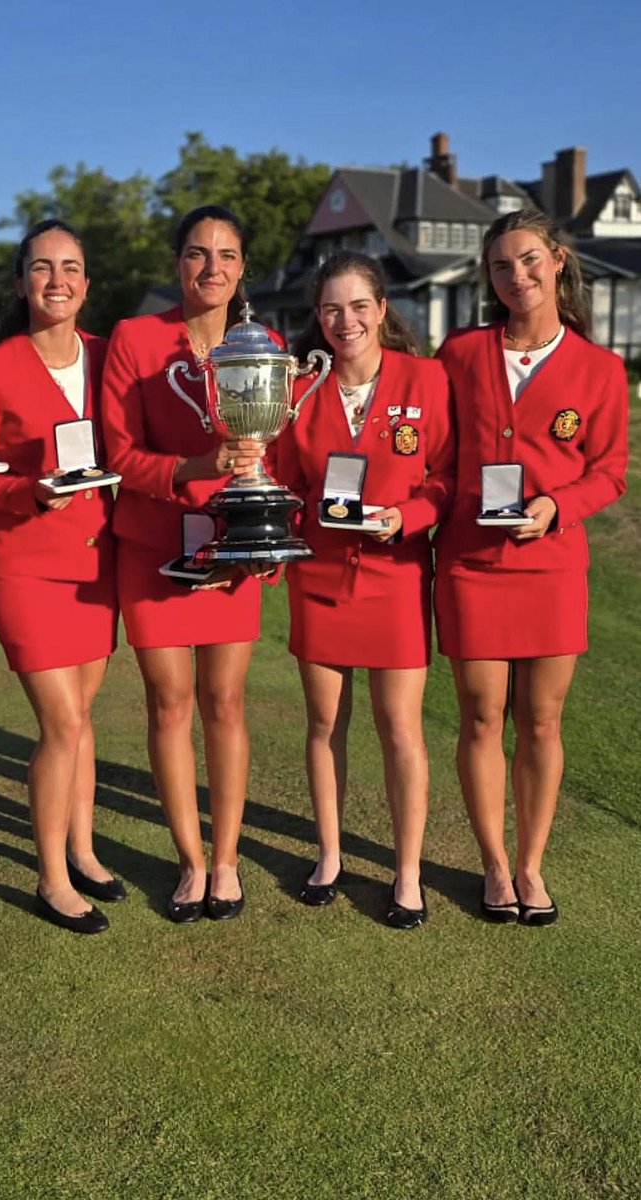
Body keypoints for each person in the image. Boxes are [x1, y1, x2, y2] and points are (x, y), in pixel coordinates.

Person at [435, 209, 629, 925]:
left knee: (540, 721)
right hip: (470, 564)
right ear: (487, 278)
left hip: (550, 566)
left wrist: (555, 506)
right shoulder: (457, 354)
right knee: (482, 717)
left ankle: (530, 865)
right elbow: (433, 452)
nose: (514, 276)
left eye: (526, 261)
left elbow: (609, 471)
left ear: (556, 260)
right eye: (498, 266)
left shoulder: (599, 368)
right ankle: (491, 866)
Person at [0, 220, 120, 935]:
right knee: (62, 721)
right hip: (24, 565)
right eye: (42, 267)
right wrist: (27, 491)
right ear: (21, 282)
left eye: (70, 267)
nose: (57, 280)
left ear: (86, 281)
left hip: (98, 564)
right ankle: (51, 876)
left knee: (84, 720)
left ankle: (82, 848)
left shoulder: (112, 357)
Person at [100, 204, 270, 923]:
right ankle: (190, 863)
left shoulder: (263, 344)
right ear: (178, 263)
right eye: (198, 253)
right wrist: (193, 466)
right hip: (154, 547)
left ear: (241, 269)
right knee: (170, 705)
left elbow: (276, 456)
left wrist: (262, 541)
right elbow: (118, 455)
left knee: (225, 704)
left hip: (230, 549)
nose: (212, 267)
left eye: (226, 255)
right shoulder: (136, 338)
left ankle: (226, 860)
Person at [276, 252, 455, 928]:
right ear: (316, 318)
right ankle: (329, 854)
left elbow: (446, 479)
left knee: (400, 730)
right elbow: (287, 483)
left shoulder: (427, 379)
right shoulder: (300, 389)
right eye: (329, 309)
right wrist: (292, 516)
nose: (342, 321)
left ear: (381, 309)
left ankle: (406, 873)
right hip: (319, 579)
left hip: (396, 577)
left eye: (356, 306)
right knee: (324, 725)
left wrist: (404, 518)